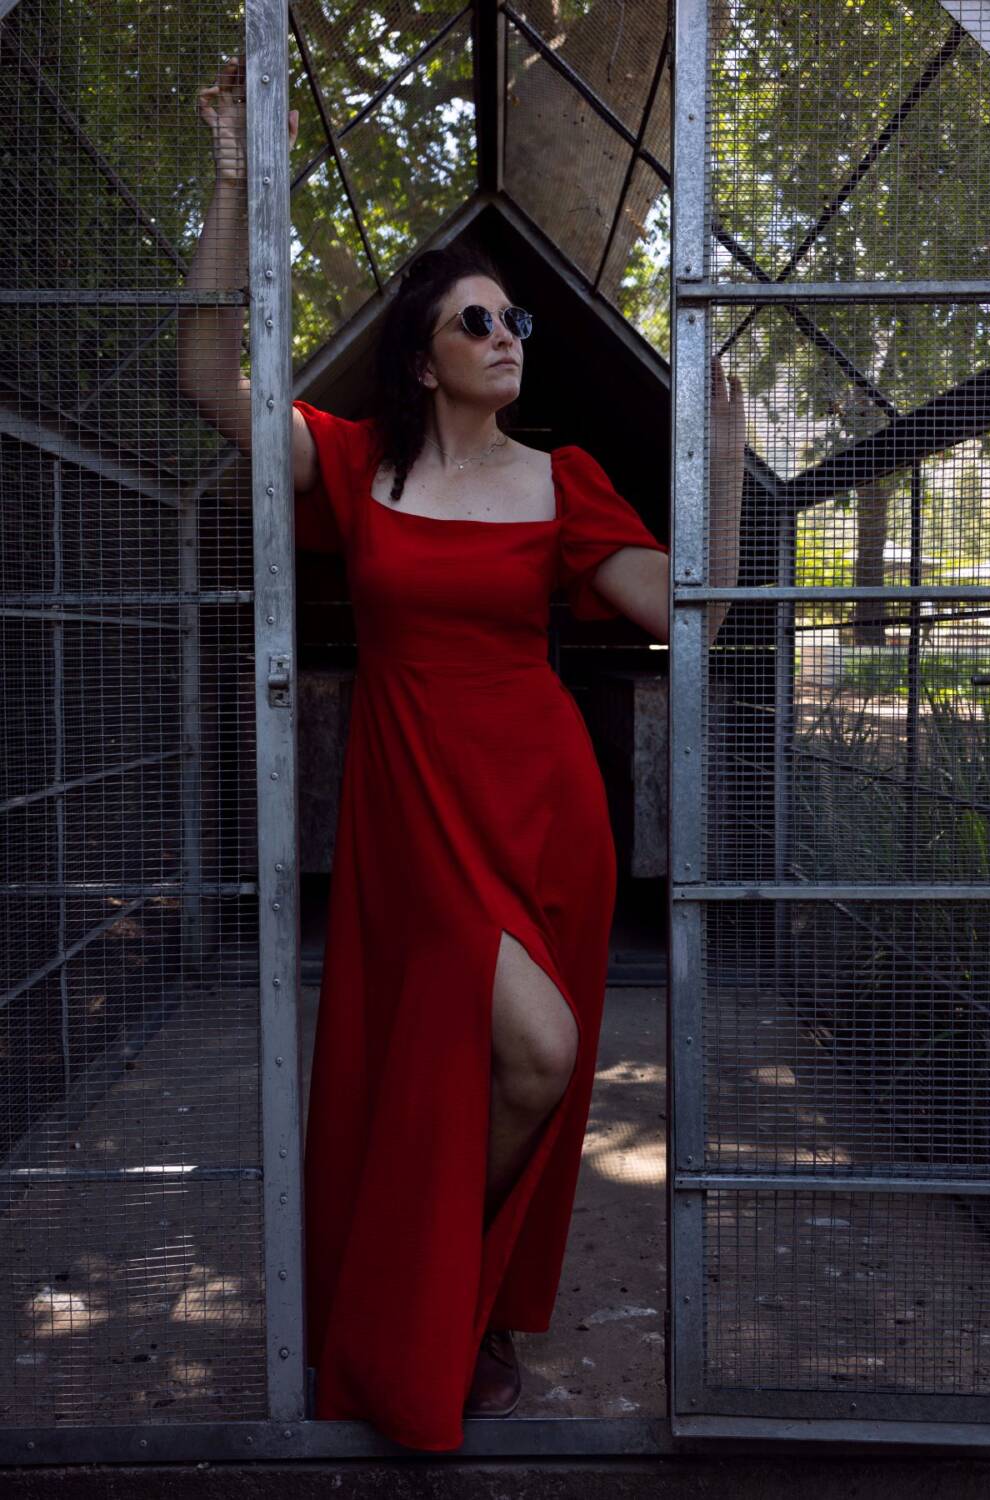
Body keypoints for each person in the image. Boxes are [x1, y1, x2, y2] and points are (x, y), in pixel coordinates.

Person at [180, 55, 745, 1453]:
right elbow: (203, 373)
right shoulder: (356, 468)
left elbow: (693, 621)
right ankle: (423, 1295)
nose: (508, 337)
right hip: (413, 806)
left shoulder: (561, 483)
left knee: (516, 1078)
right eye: (478, 321)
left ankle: (456, 1302)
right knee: (530, 1057)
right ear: (425, 352)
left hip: (547, 805)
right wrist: (238, 183)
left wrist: (725, 458)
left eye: (517, 321)